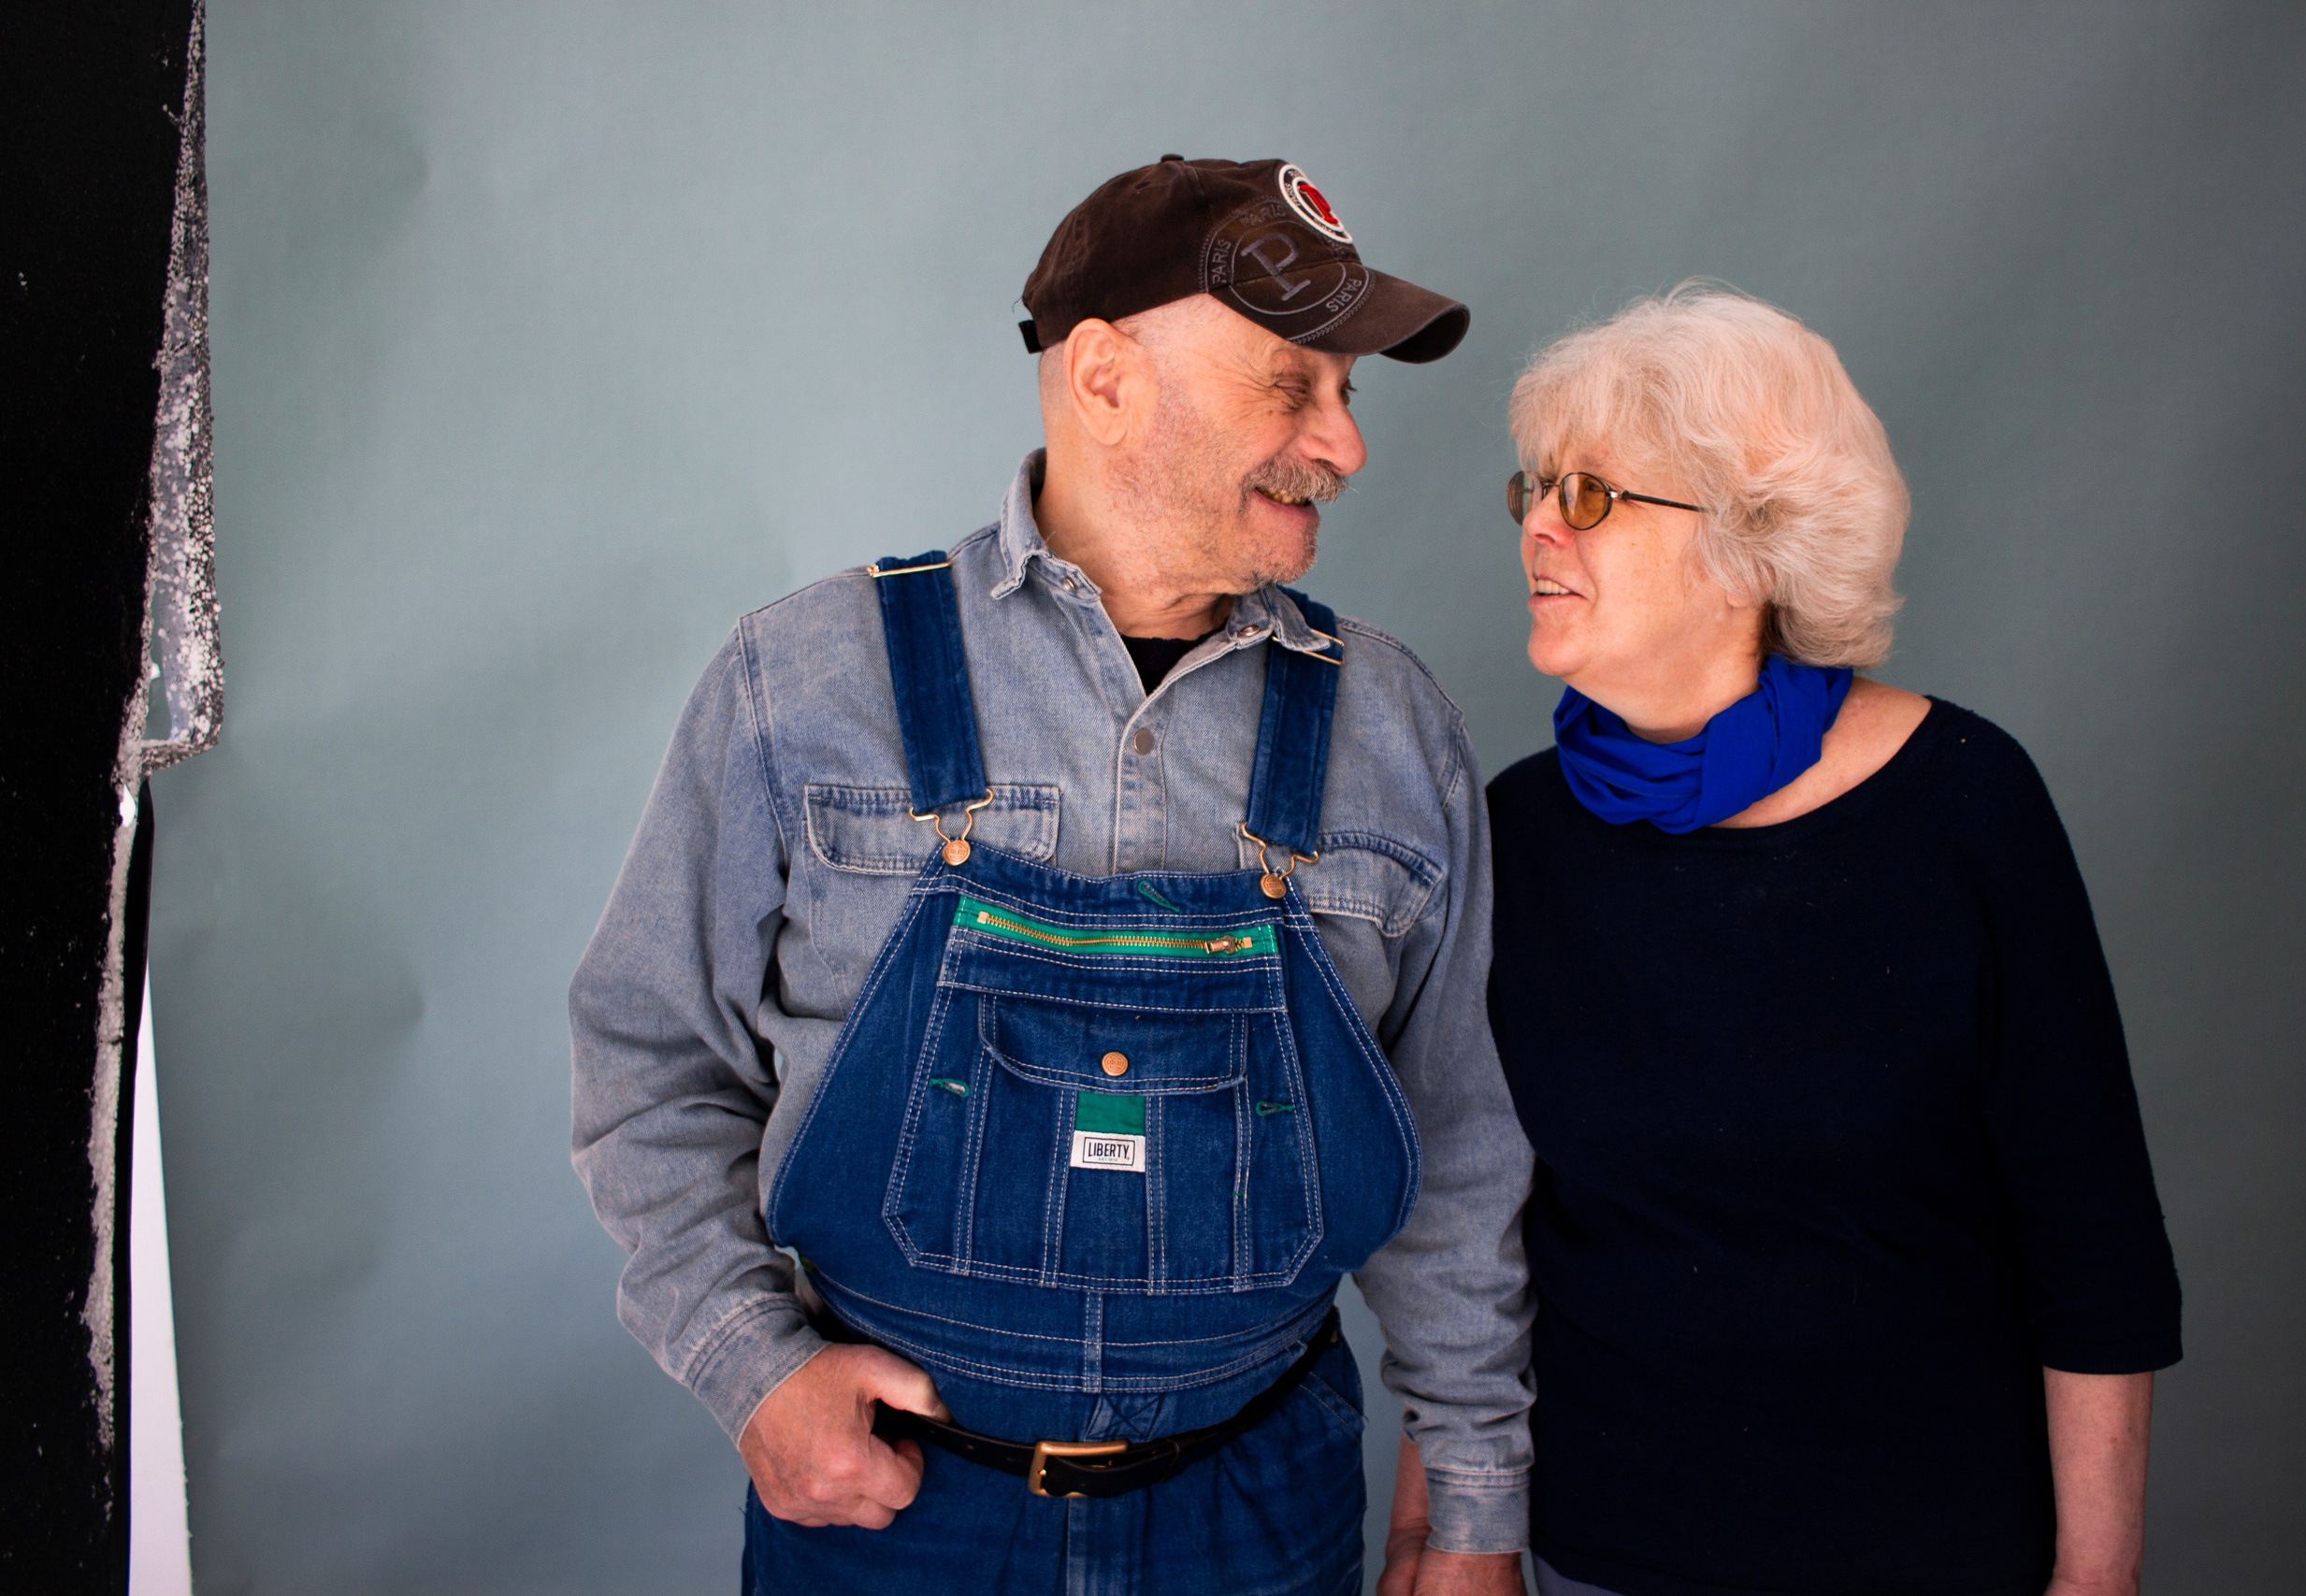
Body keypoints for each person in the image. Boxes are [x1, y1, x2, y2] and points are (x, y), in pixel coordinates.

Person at [570, 156, 1535, 1596]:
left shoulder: (1396, 730)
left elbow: (1455, 1153)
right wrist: (748, 1369)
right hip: (901, 1513)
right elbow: (649, 1066)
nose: (1345, 447)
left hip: (1259, 1511)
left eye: (1352, 396)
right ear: (1102, 378)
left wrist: (1469, 1507)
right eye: (1294, 387)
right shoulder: (803, 684)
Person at [1481, 283, 2183, 1596]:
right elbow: (1481, 1240)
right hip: (1598, 1558)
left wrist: (2098, 1584)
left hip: (1926, 1557)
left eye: (1589, 495)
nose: (1535, 523)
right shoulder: (1519, 829)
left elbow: (2094, 1239)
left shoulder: (1969, 802)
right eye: (1531, 488)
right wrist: (1439, 1536)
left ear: (1754, 543)